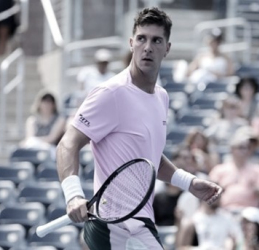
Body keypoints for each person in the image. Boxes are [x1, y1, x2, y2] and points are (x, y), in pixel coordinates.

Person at [56, 8, 222, 250]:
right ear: (131, 43)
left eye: (156, 40)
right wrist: (72, 194)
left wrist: (189, 183)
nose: (148, 47)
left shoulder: (162, 98)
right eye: (142, 38)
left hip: (142, 222)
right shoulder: (110, 93)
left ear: (167, 48)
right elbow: (67, 143)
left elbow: (149, 157)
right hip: (110, 223)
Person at [209, 129, 259, 212]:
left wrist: (256, 188)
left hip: (248, 212)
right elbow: (209, 191)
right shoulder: (219, 169)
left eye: (247, 148)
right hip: (224, 211)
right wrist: (220, 189)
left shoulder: (257, 169)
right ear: (232, 149)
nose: (244, 151)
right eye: (241, 148)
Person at [176, 198, 243, 250]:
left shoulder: (228, 218)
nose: (216, 198)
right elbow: (181, 247)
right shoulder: (192, 222)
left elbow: (237, 240)